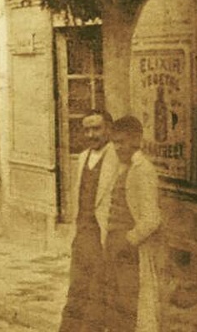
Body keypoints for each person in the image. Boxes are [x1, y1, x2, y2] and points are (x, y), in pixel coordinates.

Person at [59, 110, 120, 332]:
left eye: (97, 128)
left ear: (109, 129)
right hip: (82, 234)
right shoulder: (83, 157)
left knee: (98, 293)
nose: (91, 134)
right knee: (76, 288)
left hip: (103, 235)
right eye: (87, 129)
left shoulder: (118, 157)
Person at [105, 115, 161, 332]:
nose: (117, 147)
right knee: (114, 302)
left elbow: (152, 218)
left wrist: (128, 240)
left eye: (121, 142)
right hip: (113, 245)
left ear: (136, 140)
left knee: (130, 305)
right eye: (114, 142)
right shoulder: (121, 167)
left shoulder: (142, 169)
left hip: (129, 250)